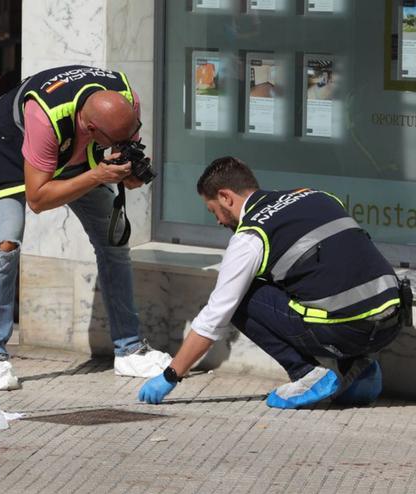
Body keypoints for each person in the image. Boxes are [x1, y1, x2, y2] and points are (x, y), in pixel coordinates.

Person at [138, 157, 407, 408]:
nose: (218, 221)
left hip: (344, 331)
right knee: (309, 276)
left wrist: (171, 375)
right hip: (390, 324)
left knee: (241, 296)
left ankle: (307, 374)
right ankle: (359, 371)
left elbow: (214, 316)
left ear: (225, 197)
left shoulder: (251, 235)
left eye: (214, 211)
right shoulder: (315, 195)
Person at [0, 65, 172, 391]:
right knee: (7, 242)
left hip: (73, 149)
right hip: (8, 144)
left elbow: (129, 165)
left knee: (114, 240)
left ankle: (129, 349)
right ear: (91, 128)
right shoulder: (44, 117)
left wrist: (128, 170)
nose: (123, 142)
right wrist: (97, 176)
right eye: (116, 140)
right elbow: (38, 198)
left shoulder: (124, 103)